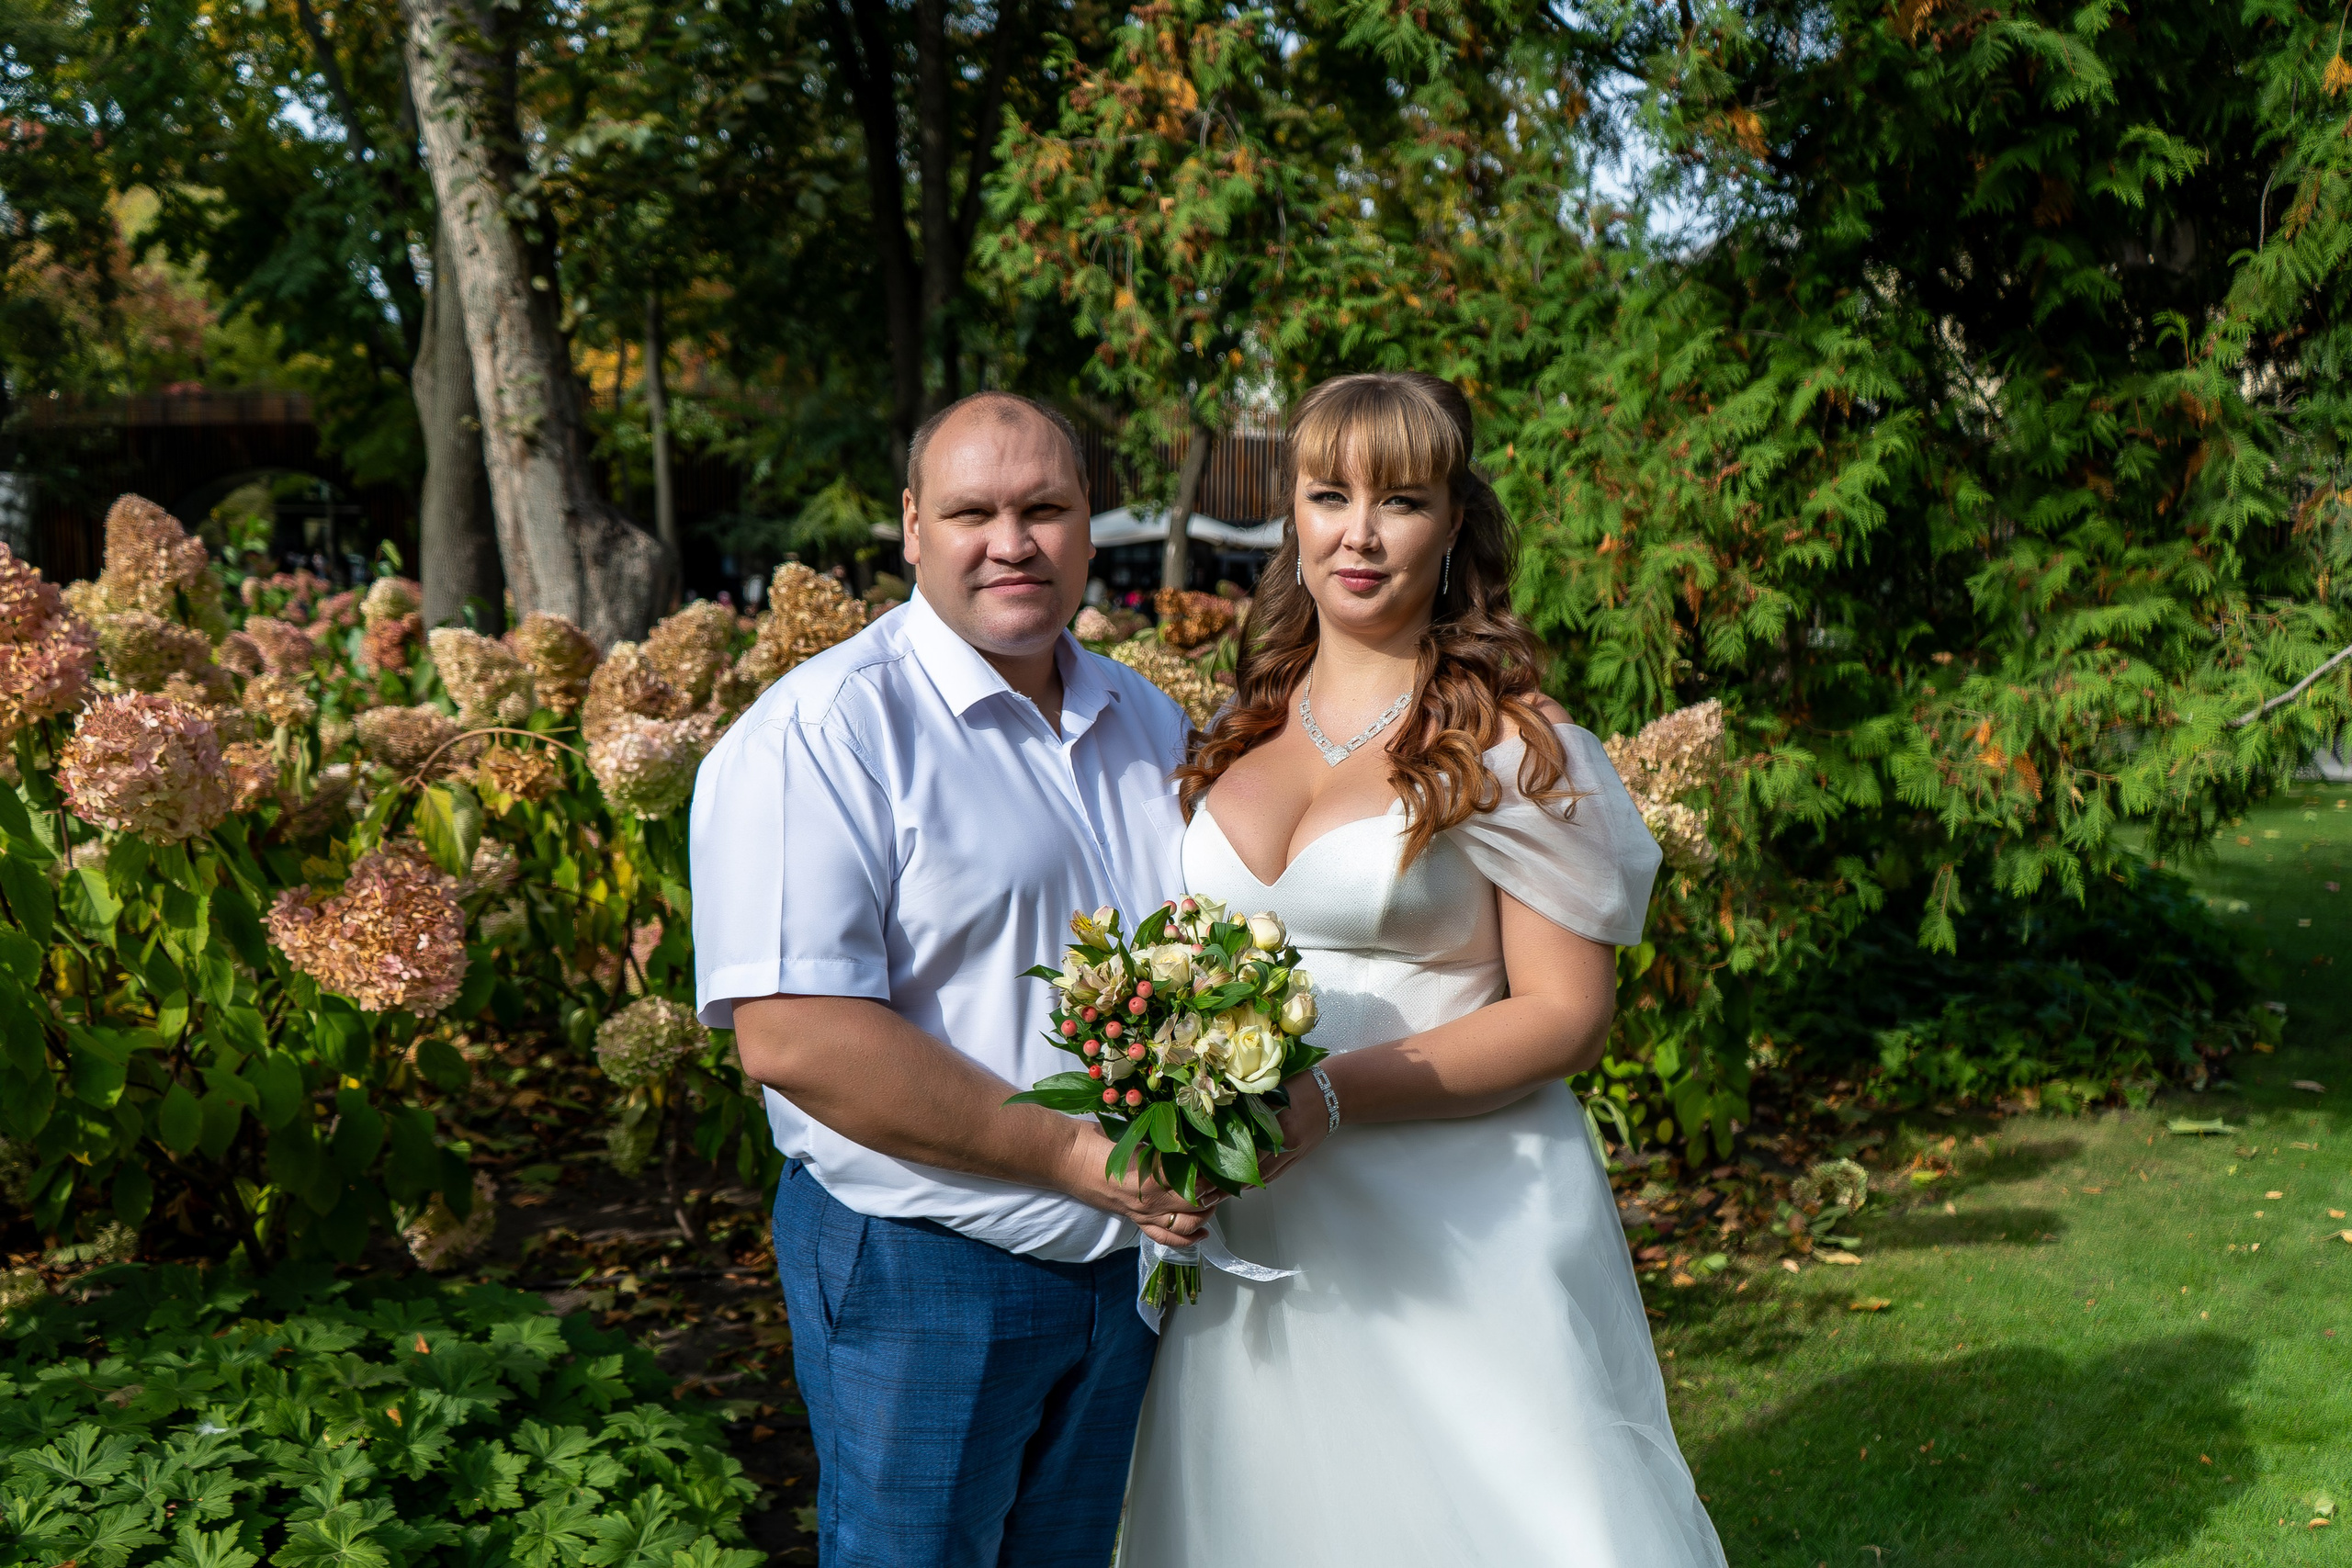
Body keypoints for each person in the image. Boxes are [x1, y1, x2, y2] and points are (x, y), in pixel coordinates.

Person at [1121, 372, 1728, 1565]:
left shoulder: (1510, 742)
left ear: (1453, 523)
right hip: (1258, 1224)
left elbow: (1565, 1014)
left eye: (1400, 499)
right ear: (1292, 514)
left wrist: (1332, 1090)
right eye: (1328, 494)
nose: (1359, 531)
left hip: (1459, 1220)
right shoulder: (1236, 725)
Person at [688, 391, 1215, 1567]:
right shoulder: (823, 733)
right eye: (974, 510)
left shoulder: (1148, 721)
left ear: (1091, 526)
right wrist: (1087, 1159)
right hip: (928, 1266)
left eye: (1046, 508)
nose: (1011, 541)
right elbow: (795, 1037)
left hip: (1126, 1266)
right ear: (913, 525)